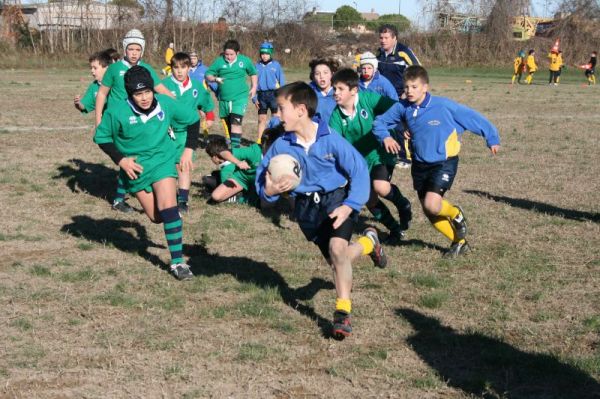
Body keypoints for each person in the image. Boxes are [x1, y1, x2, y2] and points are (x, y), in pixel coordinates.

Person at [256, 81, 387, 339]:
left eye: (282, 109)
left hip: (336, 199)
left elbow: (359, 170)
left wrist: (350, 206)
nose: (278, 115)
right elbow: (261, 182)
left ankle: (342, 313)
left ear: (301, 110)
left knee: (337, 251)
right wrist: (268, 193)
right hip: (306, 209)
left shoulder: (330, 139)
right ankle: (369, 243)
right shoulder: (281, 146)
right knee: (338, 260)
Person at [373, 66, 500, 258]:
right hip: (419, 164)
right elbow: (379, 123)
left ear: (425, 87)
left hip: (443, 162)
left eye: (414, 87)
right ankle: (460, 242)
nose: (409, 91)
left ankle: (456, 214)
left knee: (433, 204)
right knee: (430, 212)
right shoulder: (403, 107)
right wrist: (386, 137)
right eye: (406, 87)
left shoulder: (443, 106)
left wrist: (491, 137)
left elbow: (472, 117)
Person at [94, 66, 201, 280]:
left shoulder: (166, 103)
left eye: (147, 92)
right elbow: (102, 137)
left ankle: (178, 263)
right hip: (136, 170)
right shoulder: (117, 111)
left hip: (162, 161)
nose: (144, 98)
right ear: (130, 94)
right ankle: (172, 220)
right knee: (156, 217)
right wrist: (121, 160)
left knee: (168, 208)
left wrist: (188, 150)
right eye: (138, 94)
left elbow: (193, 119)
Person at [94, 29, 173, 212]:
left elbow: (160, 89)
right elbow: (102, 94)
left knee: (130, 159)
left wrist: (176, 105)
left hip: (138, 123)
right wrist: (98, 119)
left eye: (138, 49)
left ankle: (122, 197)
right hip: (120, 123)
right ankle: (120, 198)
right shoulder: (114, 69)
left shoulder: (146, 70)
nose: (134, 53)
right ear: (124, 49)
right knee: (126, 158)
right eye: (131, 49)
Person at [329, 68, 411, 242]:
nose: (335, 93)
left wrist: (404, 126)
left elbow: (396, 108)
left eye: (340, 89)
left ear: (354, 90)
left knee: (380, 186)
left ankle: (403, 204)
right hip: (359, 162)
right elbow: (336, 146)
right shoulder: (335, 117)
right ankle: (395, 229)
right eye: (334, 88)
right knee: (369, 198)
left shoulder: (368, 99)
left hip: (381, 152)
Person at [162, 52, 215, 213]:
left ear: (189, 68)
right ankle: (166, 194)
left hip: (187, 132)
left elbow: (206, 102)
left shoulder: (196, 86)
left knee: (183, 166)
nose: (179, 71)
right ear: (171, 68)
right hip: (167, 132)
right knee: (167, 166)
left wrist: (210, 116)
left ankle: (183, 200)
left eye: (183, 67)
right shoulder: (164, 86)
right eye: (176, 68)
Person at [205, 39, 258, 148]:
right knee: (228, 123)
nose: (228, 57)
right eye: (226, 54)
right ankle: (233, 143)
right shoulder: (219, 61)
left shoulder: (245, 61)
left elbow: (253, 73)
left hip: (240, 98)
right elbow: (208, 75)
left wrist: (254, 87)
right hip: (224, 99)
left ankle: (235, 150)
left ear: (238, 53)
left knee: (236, 121)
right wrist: (215, 79)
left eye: (231, 54)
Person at [254, 41, 285, 144]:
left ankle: (276, 140)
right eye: (262, 53)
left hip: (274, 95)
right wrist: (254, 98)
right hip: (261, 96)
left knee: (276, 119)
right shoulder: (257, 66)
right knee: (261, 119)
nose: (264, 56)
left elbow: (282, 81)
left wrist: (282, 96)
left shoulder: (276, 65)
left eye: (267, 53)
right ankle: (259, 141)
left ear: (270, 54)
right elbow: (253, 84)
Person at [308, 57, 339, 124]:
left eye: (325, 72)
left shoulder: (340, 92)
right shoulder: (308, 94)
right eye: (317, 73)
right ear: (313, 76)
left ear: (332, 73)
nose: (321, 76)